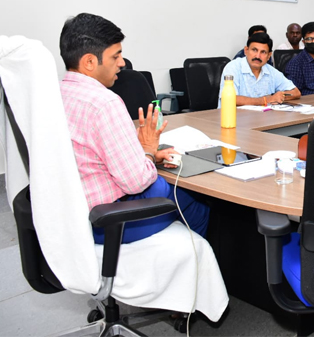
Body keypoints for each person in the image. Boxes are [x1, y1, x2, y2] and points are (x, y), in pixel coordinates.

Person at [58, 13, 210, 244]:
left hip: (70, 213)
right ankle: (190, 260)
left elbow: (91, 155)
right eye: (116, 56)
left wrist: (142, 154)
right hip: (108, 222)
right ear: (89, 61)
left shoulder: (57, 93)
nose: (122, 63)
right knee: (195, 200)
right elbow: (136, 182)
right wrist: (148, 149)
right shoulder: (105, 102)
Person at [218, 32, 301, 107]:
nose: (257, 56)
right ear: (246, 50)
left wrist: (279, 96)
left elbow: (296, 92)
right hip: (232, 120)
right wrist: (267, 99)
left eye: (263, 52)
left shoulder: (271, 71)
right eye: (254, 50)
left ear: (269, 55)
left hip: (261, 119)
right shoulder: (233, 67)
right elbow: (230, 99)